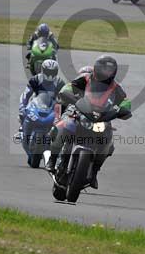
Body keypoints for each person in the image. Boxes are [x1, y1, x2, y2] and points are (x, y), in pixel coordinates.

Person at [48, 55, 132, 189]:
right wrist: (68, 94)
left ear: (113, 72)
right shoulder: (85, 78)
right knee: (63, 126)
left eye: (108, 70)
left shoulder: (116, 88)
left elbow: (125, 101)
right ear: (96, 68)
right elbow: (69, 87)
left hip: (101, 118)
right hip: (80, 112)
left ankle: (94, 172)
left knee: (108, 143)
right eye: (103, 69)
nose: (105, 73)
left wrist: (123, 110)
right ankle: (52, 159)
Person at [17, 59, 66, 135]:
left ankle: (55, 138)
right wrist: (22, 107)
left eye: (53, 72)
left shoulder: (60, 82)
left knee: (61, 124)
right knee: (23, 113)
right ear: (43, 70)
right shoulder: (36, 79)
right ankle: (22, 129)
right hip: (35, 104)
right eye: (48, 72)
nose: (50, 75)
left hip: (52, 107)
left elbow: (64, 99)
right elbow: (26, 94)